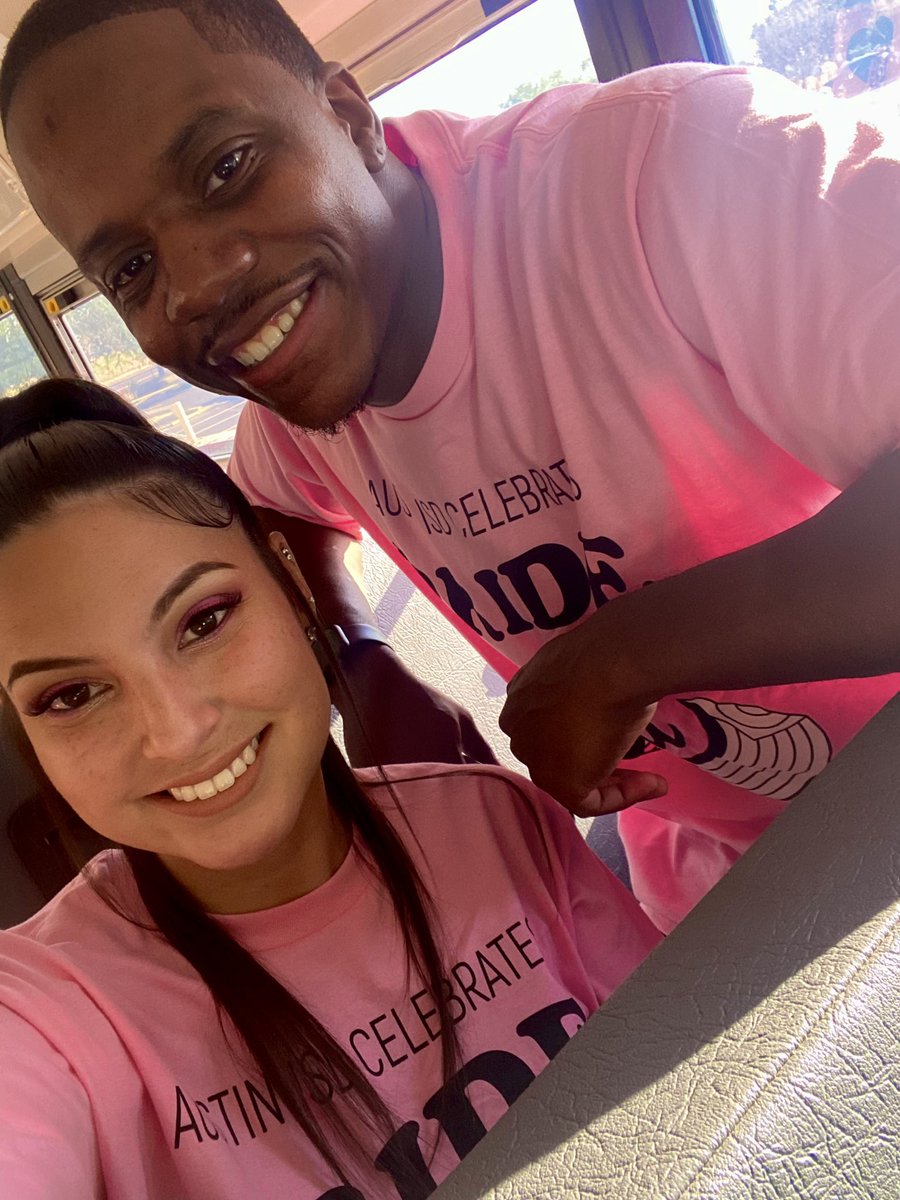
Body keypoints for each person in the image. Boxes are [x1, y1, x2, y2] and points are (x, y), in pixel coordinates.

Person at [2, 0, 899, 933]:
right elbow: (284, 515)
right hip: (719, 879)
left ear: (350, 119)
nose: (197, 287)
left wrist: (618, 660)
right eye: (133, 270)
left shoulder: (669, 171)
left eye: (227, 168)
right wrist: (364, 661)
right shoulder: (305, 401)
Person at [0, 378, 660, 1200]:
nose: (175, 733)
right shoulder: (48, 1013)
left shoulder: (495, 819)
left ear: (293, 584)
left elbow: (698, 1069)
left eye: (205, 621)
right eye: (70, 695)